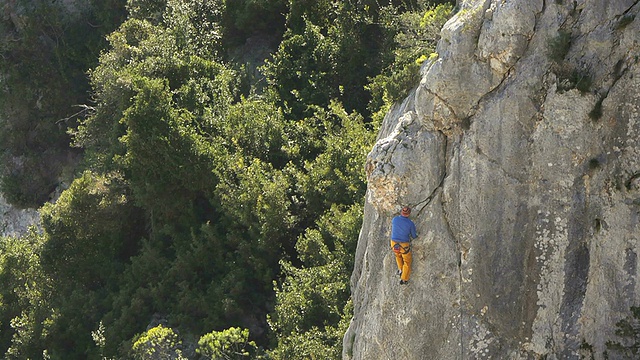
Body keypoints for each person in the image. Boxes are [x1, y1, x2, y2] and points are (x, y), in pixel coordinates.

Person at [391, 206, 417, 285]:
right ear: (408, 214)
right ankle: (404, 279)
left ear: (401, 212)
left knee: (398, 256)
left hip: (394, 243)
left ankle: (400, 269)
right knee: (407, 261)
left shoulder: (395, 219)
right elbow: (413, 235)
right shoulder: (410, 223)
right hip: (404, 244)